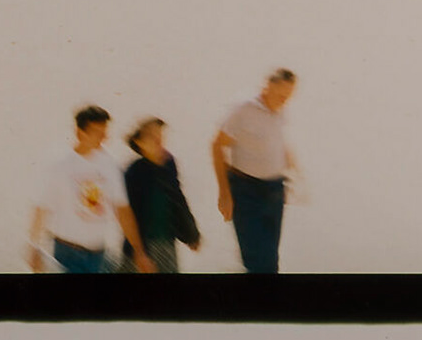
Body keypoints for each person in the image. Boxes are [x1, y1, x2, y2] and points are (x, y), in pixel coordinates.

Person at [27, 106, 154, 274]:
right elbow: (43, 208)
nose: (103, 139)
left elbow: (122, 210)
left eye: (104, 133)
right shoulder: (60, 165)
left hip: (98, 256)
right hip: (67, 255)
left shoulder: (110, 165)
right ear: (80, 133)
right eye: (97, 133)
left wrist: (139, 252)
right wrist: (34, 246)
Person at [212, 70, 299, 273]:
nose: (285, 101)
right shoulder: (243, 109)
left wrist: (294, 171)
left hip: (275, 191)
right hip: (247, 191)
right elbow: (217, 146)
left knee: (271, 259)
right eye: (282, 95)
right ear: (268, 87)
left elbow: (277, 141)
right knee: (258, 261)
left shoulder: (280, 109)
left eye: (288, 96)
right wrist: (224, 193)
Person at [120, 118, 200, 273]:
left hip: (167, 242)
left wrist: (191, 233)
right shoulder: (134, 172)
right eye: (151, 135)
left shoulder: (169, 163)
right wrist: (139, 252)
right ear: (139, 142)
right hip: (142, 247)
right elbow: (129, 216)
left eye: (160, 134)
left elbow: (177, 198)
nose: (158, 139)